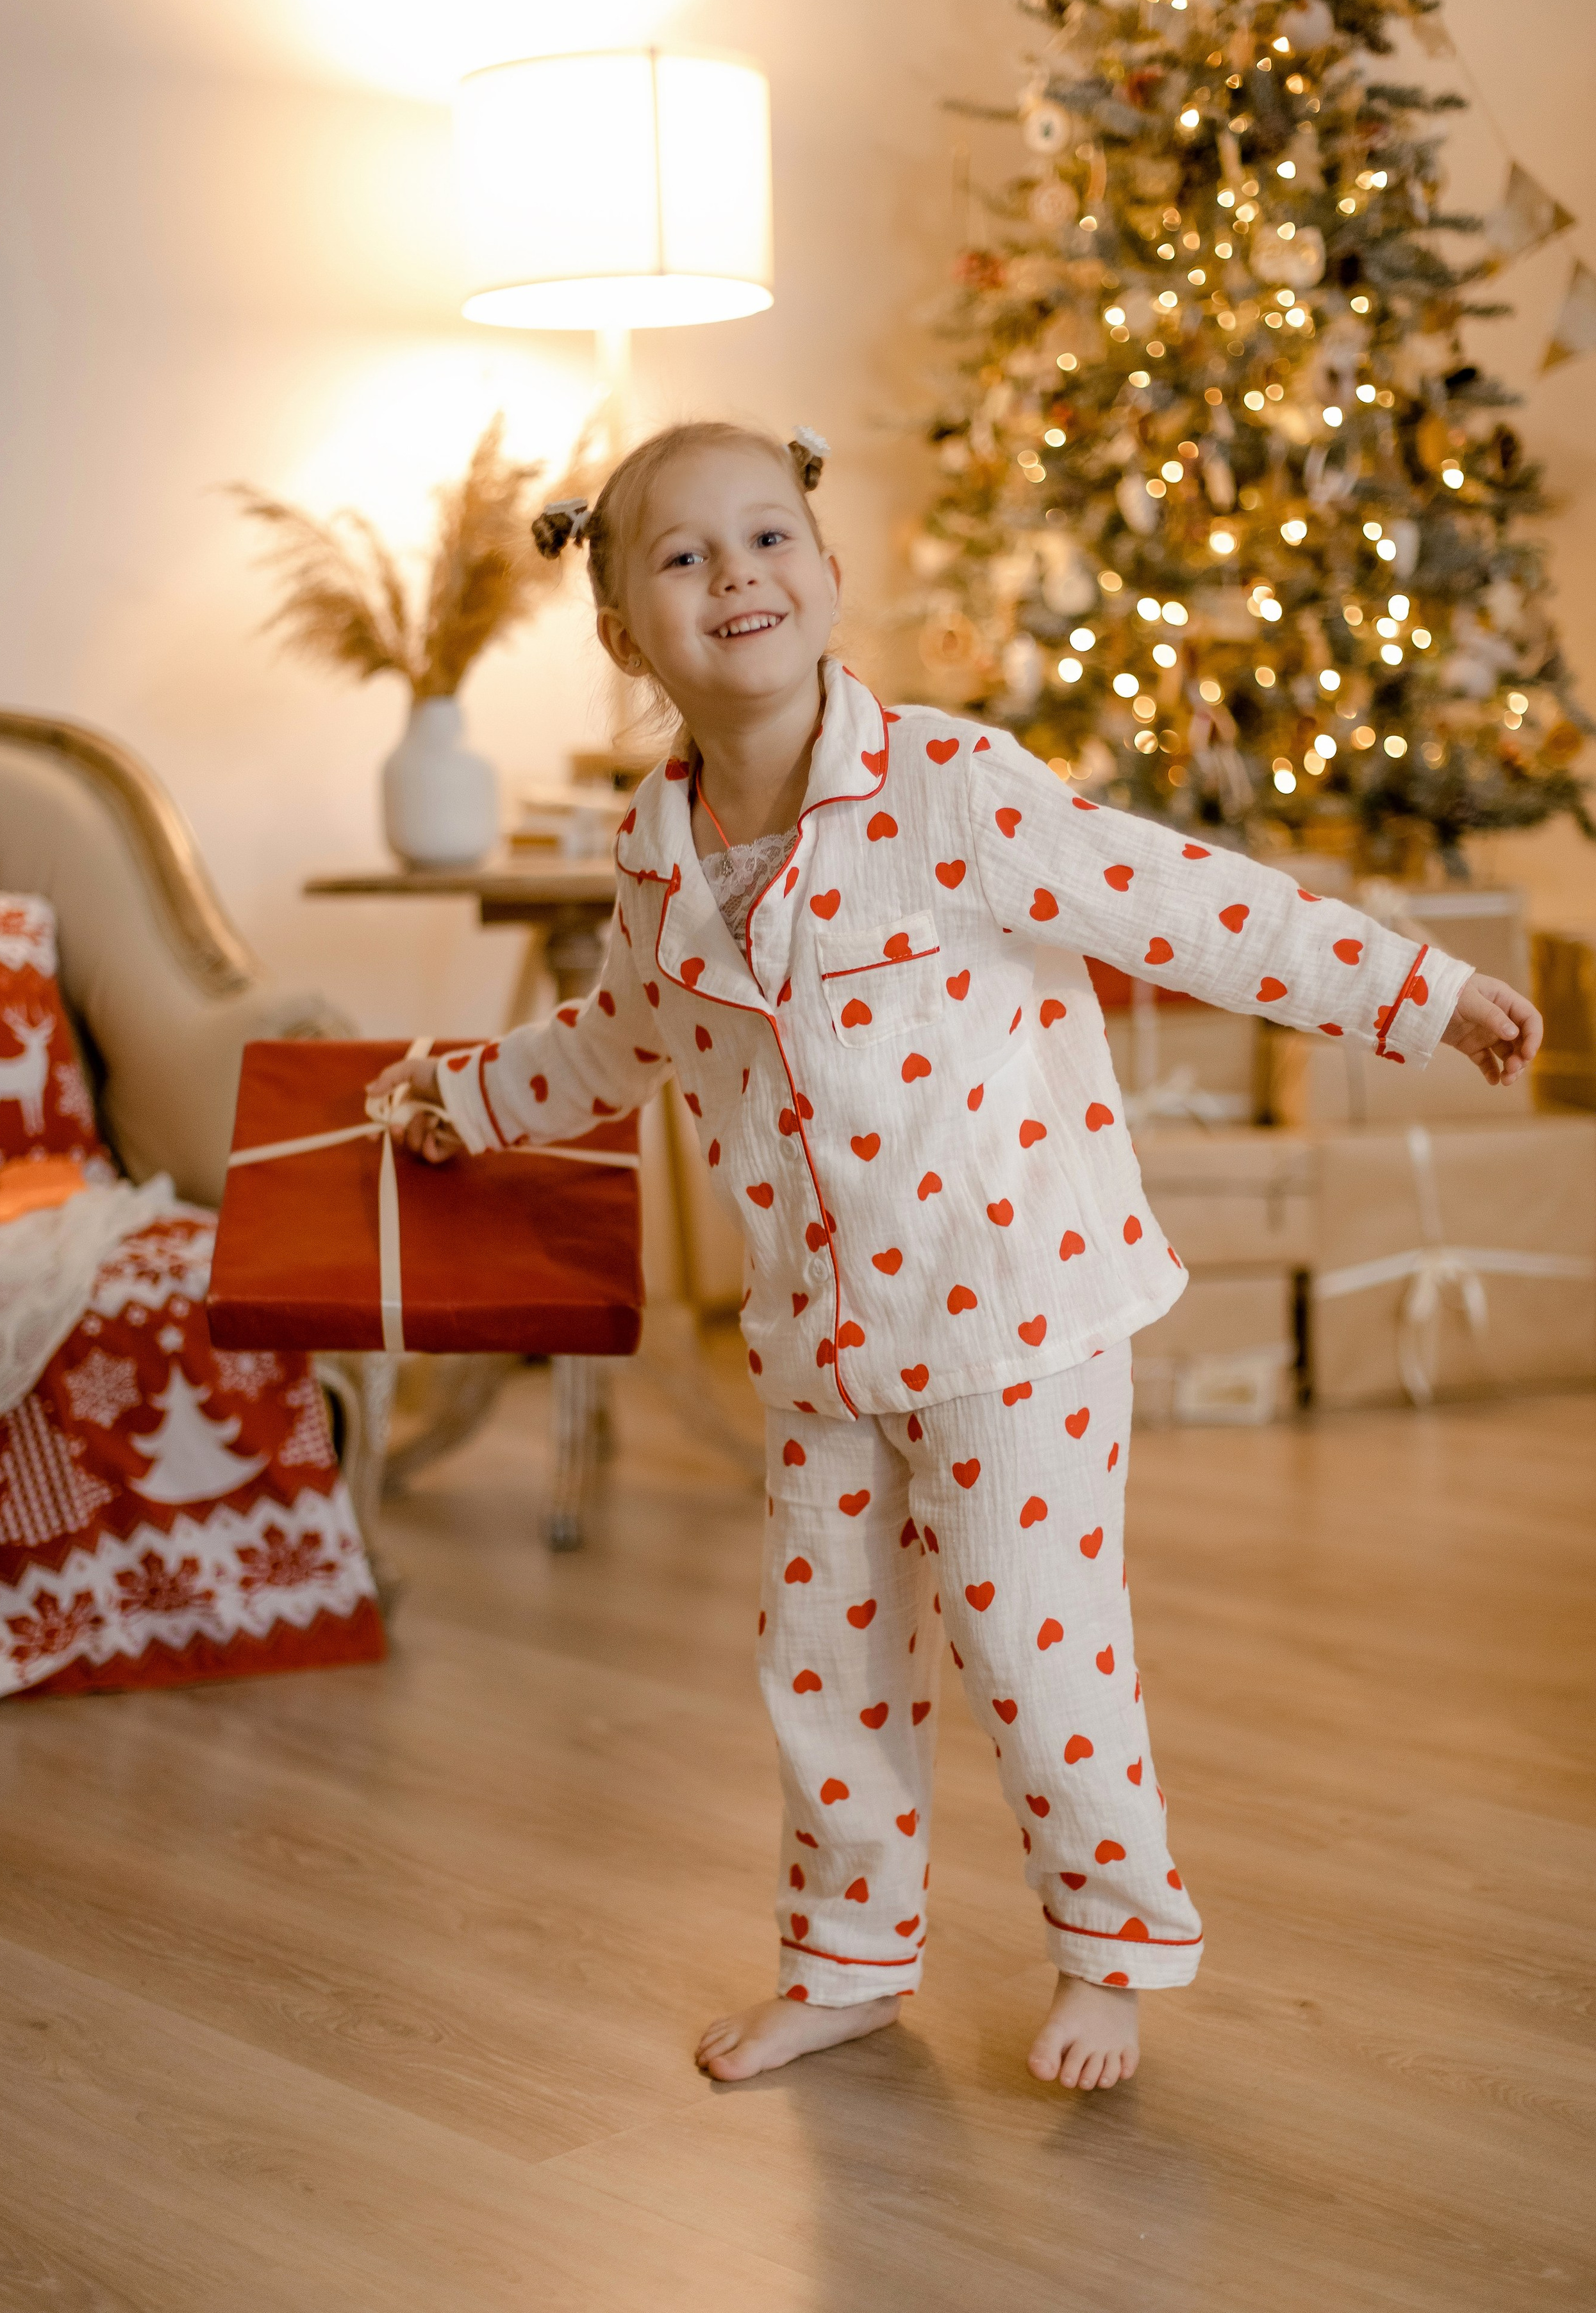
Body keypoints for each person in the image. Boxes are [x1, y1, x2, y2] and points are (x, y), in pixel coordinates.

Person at [370, 419, 1541, 2093]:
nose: (737, 578)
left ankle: (1111, 1953)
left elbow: (1190, 900)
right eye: (684, 557)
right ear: (624, 631)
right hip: (824, 1341)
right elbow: (610, 1044)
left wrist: (1410, 992)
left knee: (1032, 1647)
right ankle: (848, 1961)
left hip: (1019, 1314)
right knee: (822, 1660)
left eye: (769, 538)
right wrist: (463, 1107)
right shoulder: (650, 856)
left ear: (831, 572)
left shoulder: (955, 790)